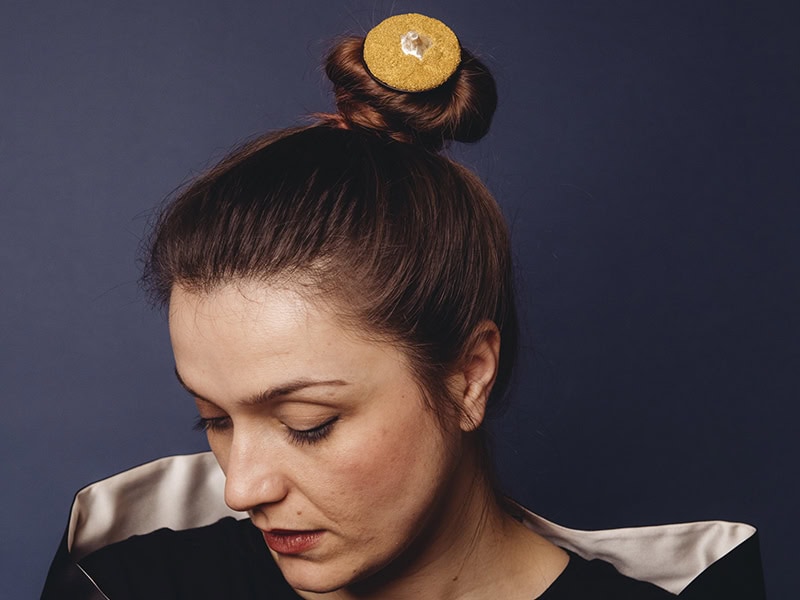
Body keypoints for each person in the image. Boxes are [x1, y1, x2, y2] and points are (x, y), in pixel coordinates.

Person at [41, 13, 764, 600]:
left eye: (309, 425)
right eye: (216, 421)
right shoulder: (123, 588)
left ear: (468, 377)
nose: (240, 487)